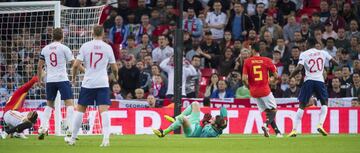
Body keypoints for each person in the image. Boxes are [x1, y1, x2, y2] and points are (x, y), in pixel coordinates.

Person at [66, 25, 118, 147]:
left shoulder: (86, 46)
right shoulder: (107, 47)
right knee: (104, 111)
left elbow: (75, 65)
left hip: (88, 82)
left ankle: (73, 139)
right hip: (102, 83)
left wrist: (73, 78)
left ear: (92, 33)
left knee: (80, 110)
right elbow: (114, 67)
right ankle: (106, 140)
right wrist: (116, 76)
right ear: (103, 34)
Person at [288, 44, 338, 137]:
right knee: (324, 103)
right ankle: (320, 125)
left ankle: (294, 130)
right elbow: (335, 63)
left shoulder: (304, 54)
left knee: (302, 105)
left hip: (309, 81)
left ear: (307, 44)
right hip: (320, 81)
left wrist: (290, 76)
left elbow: (299, 68)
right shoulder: (323, 52)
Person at [37, 28, 77, 140]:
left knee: (49, 105)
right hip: (62, 79)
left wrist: (39, 79)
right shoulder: (64, 48)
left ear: (52, 36)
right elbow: (74, 64)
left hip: (50, 80)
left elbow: (39, 66)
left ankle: (42, 128)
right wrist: (76, 76)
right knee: (69, 104)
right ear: (62, 36)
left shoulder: (45, 49)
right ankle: (69, 129)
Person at [242, 47, 282, 137]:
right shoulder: (266, 60)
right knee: (274, 110)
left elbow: (244, 79)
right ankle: (265, 124)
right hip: (264, 90)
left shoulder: (247, 61)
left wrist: (250, 87)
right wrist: (272, 80)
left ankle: (277, 132)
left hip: (254, 92)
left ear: (253, 50)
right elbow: (276, 75)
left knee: (268, 112)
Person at [153, 102, 228, 138]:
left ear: (215, 125)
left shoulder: (210, 133)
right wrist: (225, 120)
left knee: (183, 118)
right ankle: (175, 119)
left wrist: (202, 123)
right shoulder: (219, 126)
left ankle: (163, 133)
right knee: (195, 104)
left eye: (213, 119)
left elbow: (196, 135)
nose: (212, 118)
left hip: (191, 132)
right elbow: (223, 108)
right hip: (195, 124)